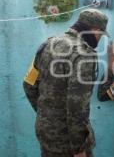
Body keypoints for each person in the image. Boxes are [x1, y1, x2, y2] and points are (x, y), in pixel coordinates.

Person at [23, 9, 109, 157]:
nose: (100, 39)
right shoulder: (84, 54)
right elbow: (77, 106)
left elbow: (29, 83)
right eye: (101, 35)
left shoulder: (48, 44)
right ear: (95, 30)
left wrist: (47, 115)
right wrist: (79, 148)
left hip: (46, 132)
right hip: (68, 141)